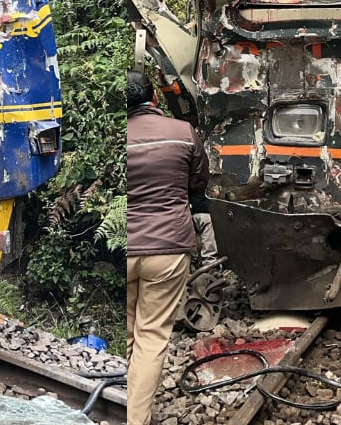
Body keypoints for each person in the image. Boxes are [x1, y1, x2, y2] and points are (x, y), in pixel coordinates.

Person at [126, 70, 209, 425]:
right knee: (151, 337)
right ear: (154, 98)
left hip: (125, 244)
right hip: (168, 247)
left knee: (127, 334)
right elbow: (199, 182)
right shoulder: (182, 133)